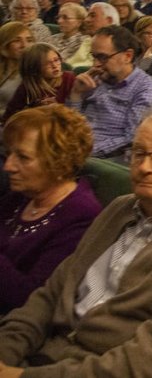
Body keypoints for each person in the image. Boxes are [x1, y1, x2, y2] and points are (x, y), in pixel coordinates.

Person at [0, 111, 152, 376]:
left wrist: (22, 376)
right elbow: (49, 295)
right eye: (139, 153)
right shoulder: (119, 209)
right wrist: (6, 351)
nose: (146, 167)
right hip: (48, 355)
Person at [0, 104, 101, 314]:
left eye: (23, 157)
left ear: (59, 162)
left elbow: (31, 299)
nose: (8, 166)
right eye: (9, 154)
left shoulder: (81, 216)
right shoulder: (22, 196)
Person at [67, 26, 152, 159]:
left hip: (102, 162)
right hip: (72, 148)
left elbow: (133, 140)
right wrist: (76, 95)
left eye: (102, 57)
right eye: (94, 57)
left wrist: (82, 152)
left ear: (127, 56)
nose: (96, 64)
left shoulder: (147, 90)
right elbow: (70, 124)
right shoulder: (95, 79)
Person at [3, 43, 75, 122]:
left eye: (56, 60)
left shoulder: (69, 78)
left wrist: (58, 108)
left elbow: (78, 110)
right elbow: (9, 117)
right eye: (47, 63)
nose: (54, 65)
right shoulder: (27, 88)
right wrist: (36, 111)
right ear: (34, 68)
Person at [0, 22, 34, 113]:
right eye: (17, 40)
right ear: (4, 44)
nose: (24, 45)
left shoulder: (34, 72)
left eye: (29, 40)